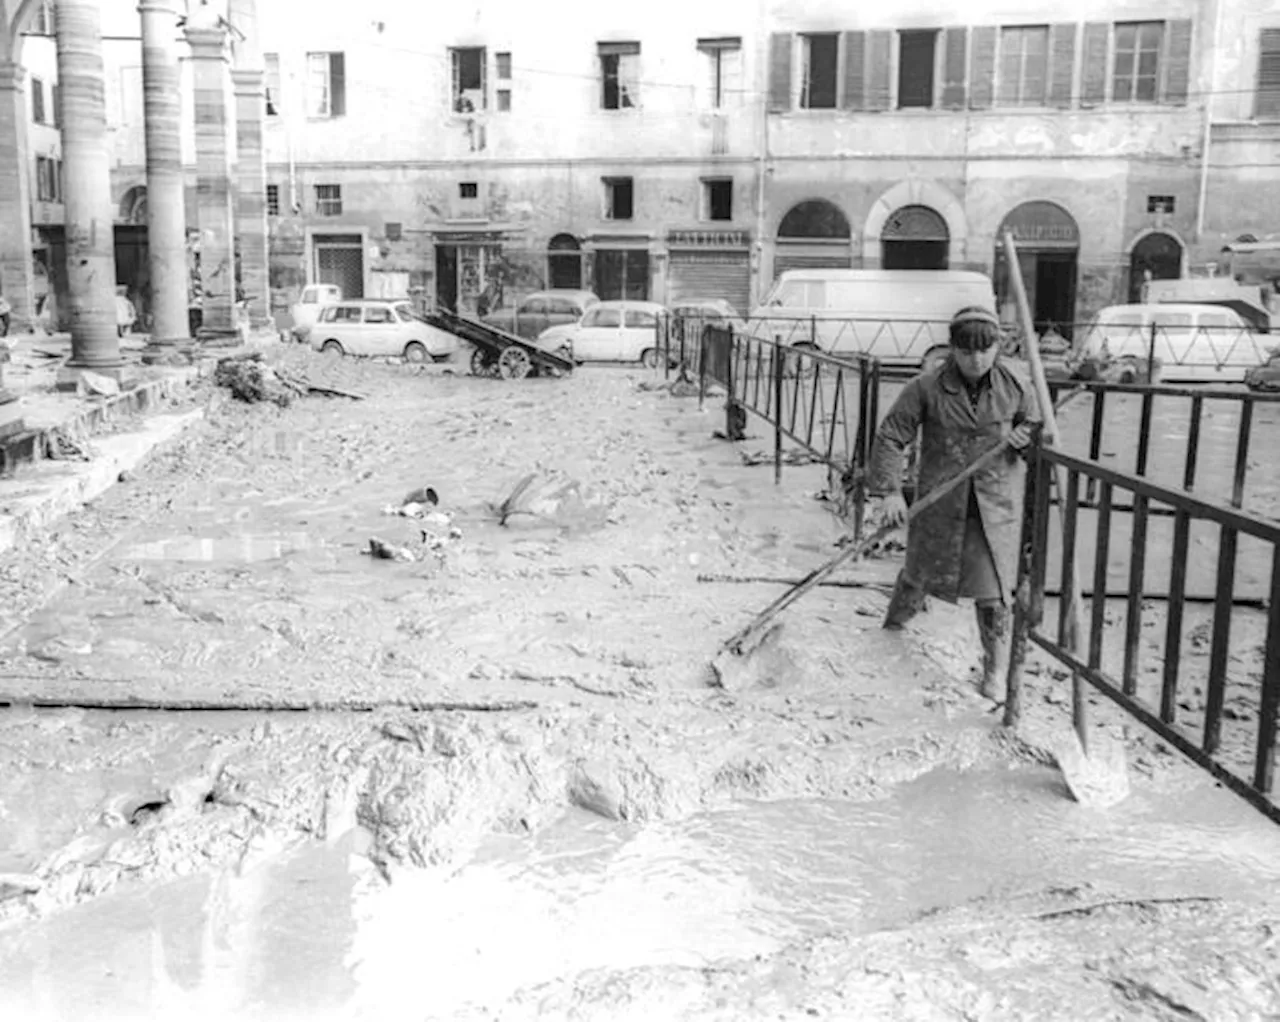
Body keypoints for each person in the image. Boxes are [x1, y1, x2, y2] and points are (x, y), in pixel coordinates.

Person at [866, 305, 1040, 701]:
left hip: (995, 507)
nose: (975, 360)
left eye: (984, 350)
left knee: (993, 592)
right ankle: (893, 630)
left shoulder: (1017, 385)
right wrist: (890, 491)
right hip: (940, 501)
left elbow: (1039, 428)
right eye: (965, 351)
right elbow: (892, 436)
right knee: (918, 574)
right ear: (952, 349)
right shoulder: (925, 387)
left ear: (998, 347)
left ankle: (994, 671)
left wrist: (1026, 436)